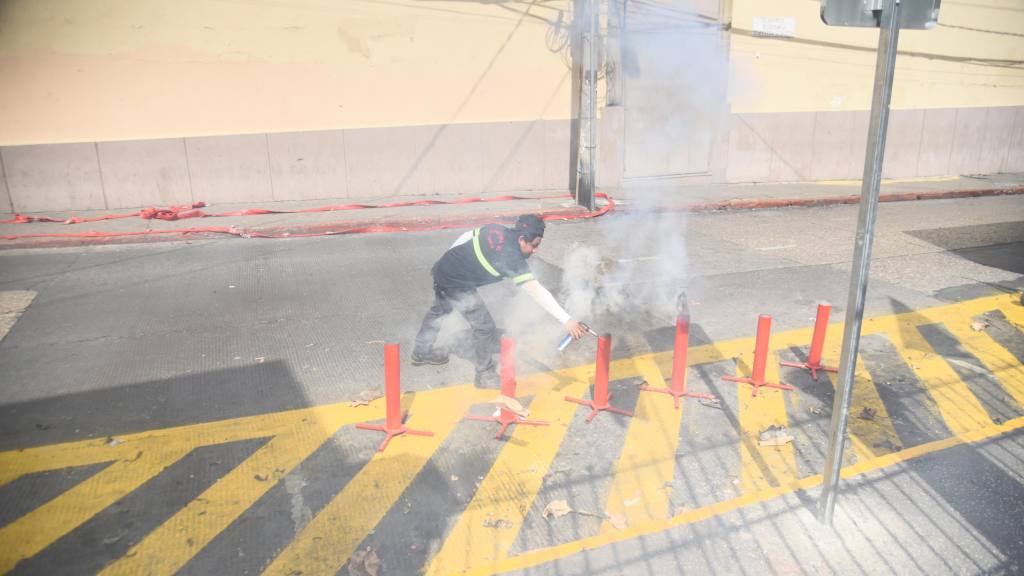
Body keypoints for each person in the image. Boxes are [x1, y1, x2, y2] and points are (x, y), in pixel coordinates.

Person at [412, 214, 586, 388]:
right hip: (457, 284)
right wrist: (567, 321)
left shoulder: (495, 229)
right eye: (534, 245)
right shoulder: (512, 259)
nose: (535, 251)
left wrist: (450, 260)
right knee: (484, 328)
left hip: (444, 270)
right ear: (521, 239)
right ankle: (484, 374)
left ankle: (421, 352)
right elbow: (536, 291)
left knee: (440, 311)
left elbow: (467, 236)